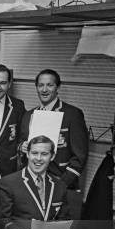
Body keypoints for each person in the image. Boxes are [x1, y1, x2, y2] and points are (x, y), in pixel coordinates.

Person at [19, 69, 89, 218]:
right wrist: (22, 146)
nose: (44, 90)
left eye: (49, 85)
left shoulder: (73, 114)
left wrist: (61, 184)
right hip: (31, 183)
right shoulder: (28, 115)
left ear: (58, 87)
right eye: (40, 85)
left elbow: (80, 157)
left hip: (60, 181)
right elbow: (20, 144)